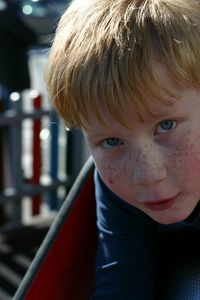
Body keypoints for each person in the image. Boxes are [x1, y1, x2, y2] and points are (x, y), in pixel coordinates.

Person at [45, 0, 200, 298]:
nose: (147, 173)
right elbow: (121, 285)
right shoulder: (122, 189)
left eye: (166, 126)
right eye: (111, 141)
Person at [0, 0, 37, 106]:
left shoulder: (5, 12)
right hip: (11, 67)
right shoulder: (5, 14)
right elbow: (28, 36)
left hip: (7, 68)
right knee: (13, 105)